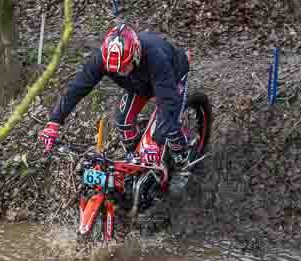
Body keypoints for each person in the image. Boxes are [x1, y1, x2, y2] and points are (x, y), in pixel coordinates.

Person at [40, 23, 194, 168]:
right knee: (123, 122)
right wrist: (55, 121)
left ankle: (182, 162)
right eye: (115, 70)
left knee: (170, 128)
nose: (120, 72)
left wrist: (156, 141)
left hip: (171, 79)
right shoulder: (103, 58)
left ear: (136, 54)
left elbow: (168, 102)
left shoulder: (156, 56)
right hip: (140, 84)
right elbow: (78, 87)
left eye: (124, 67)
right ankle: (137, 164)